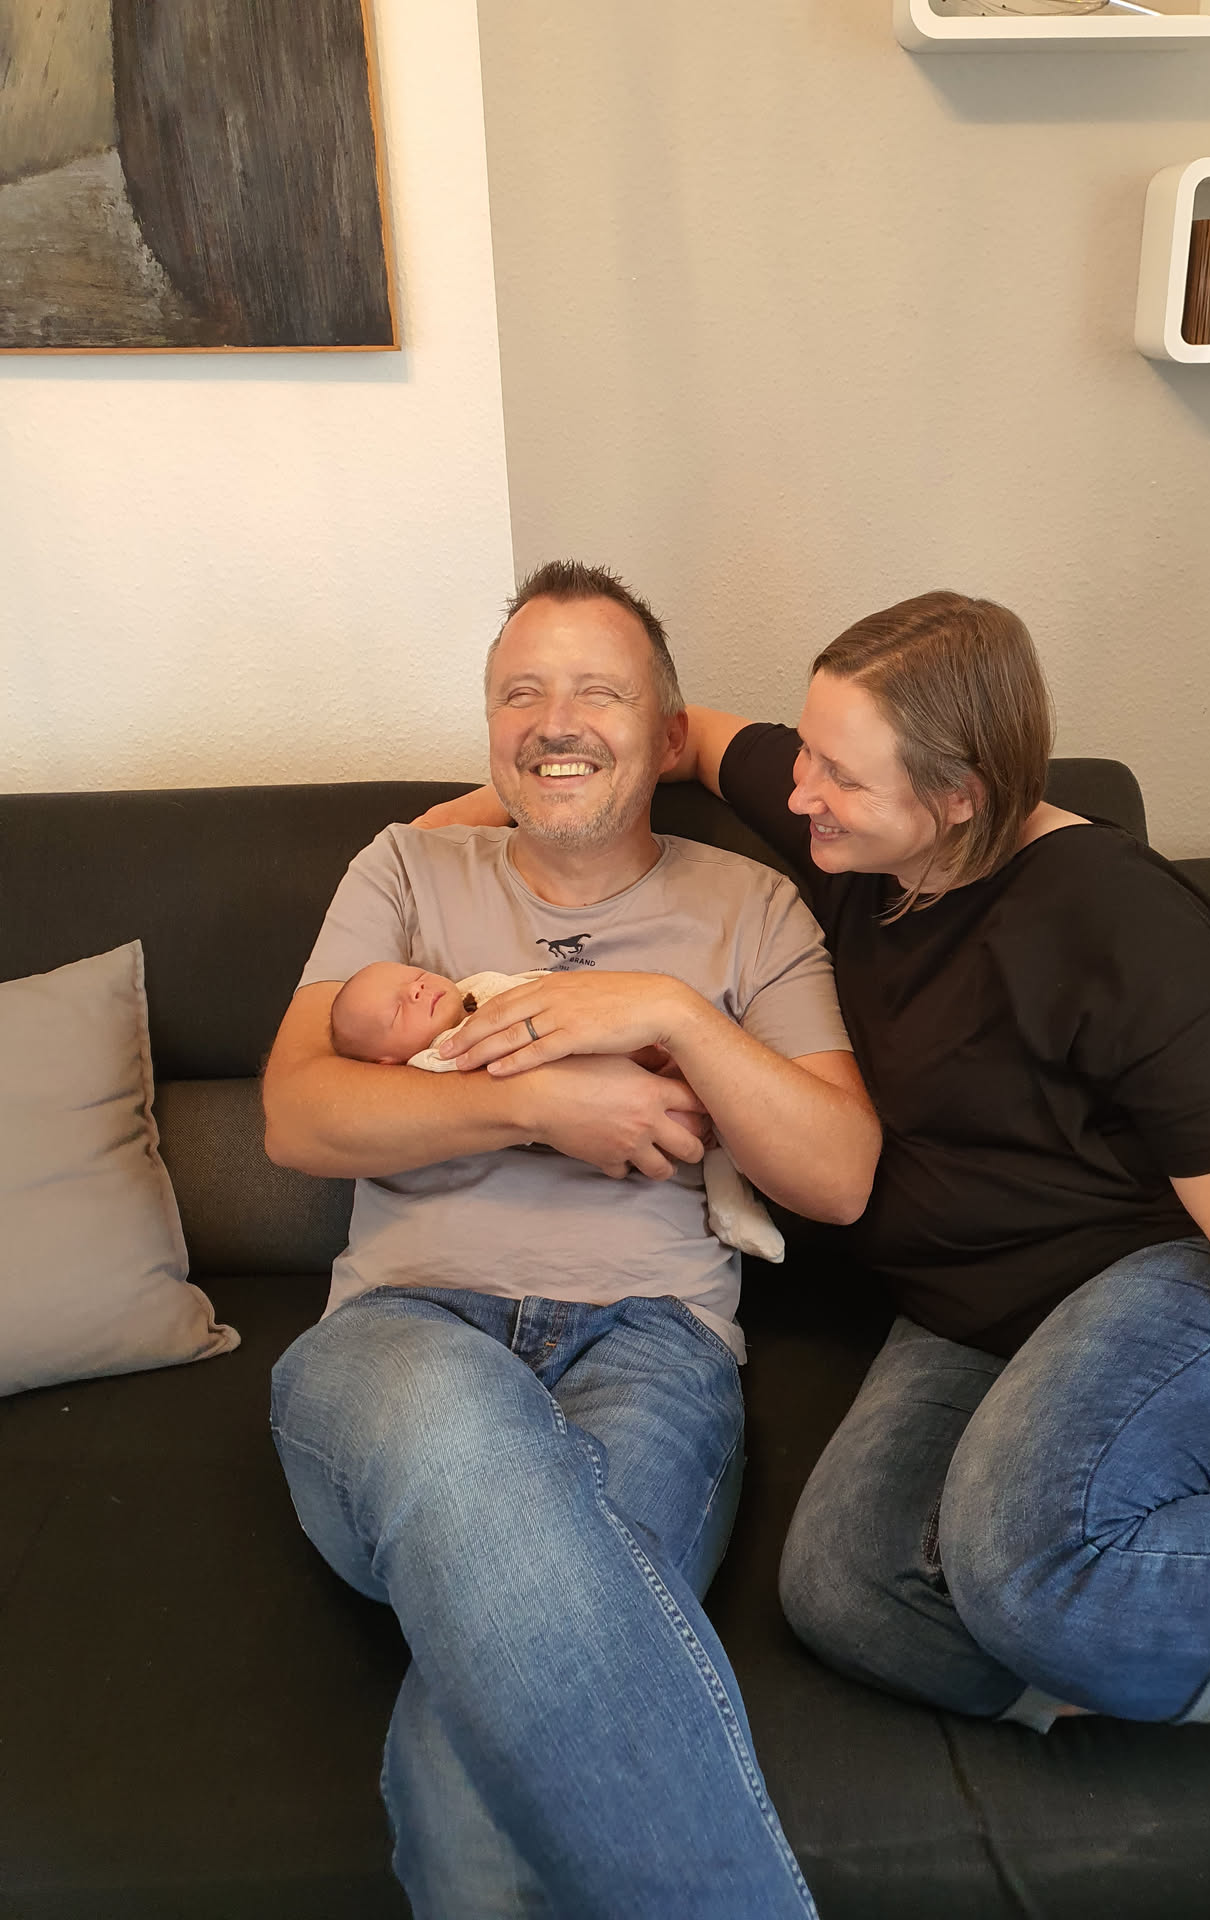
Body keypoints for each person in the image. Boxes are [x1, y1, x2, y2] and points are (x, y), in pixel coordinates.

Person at [420, 587, 1210, 1768]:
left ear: (960, 797)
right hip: (977, 1317)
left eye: (840, 778)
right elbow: (682, 737)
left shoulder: (1115, 918)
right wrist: (481, 817)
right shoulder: (852, 826)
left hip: (1196, 1293)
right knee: (846, 1592)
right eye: (808, 752)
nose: (801, 791)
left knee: (1019, 1566)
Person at [263, 559, 880, 1920]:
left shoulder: (752, 908)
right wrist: (538, 1102)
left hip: (651, 1348)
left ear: (666, 735)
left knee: (480, 1751)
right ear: (490, 726)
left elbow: (838, 1175)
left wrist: (673, 1015)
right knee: (466, 1435)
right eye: (520, 693)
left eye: (598, 692)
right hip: (404, 1334)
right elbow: (296, 1118)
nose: (554, 722)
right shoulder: (405, 868)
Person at [328, 957, 787, 1260]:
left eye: (414, 976)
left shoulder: (477, 988)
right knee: (691, 1124)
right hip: (610, 1109)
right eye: (397, 1010)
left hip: (631, 1045)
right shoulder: (433, 1061)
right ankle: (729, 1199)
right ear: (385, 1062)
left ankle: (729, 1174)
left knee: (714, 1099)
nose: (416, 990)